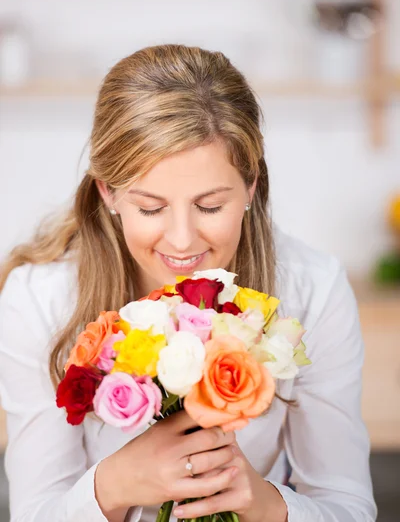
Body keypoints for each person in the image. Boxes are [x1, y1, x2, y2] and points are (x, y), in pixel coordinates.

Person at [0, 44, 377, 522]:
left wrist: (262, 503)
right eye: (151, 208)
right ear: (108, 192)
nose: (181, 241)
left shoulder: (313, 291)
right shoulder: (39, 300)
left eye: (211, 206)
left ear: (251, 187)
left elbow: (348, 509)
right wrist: (114, 485)